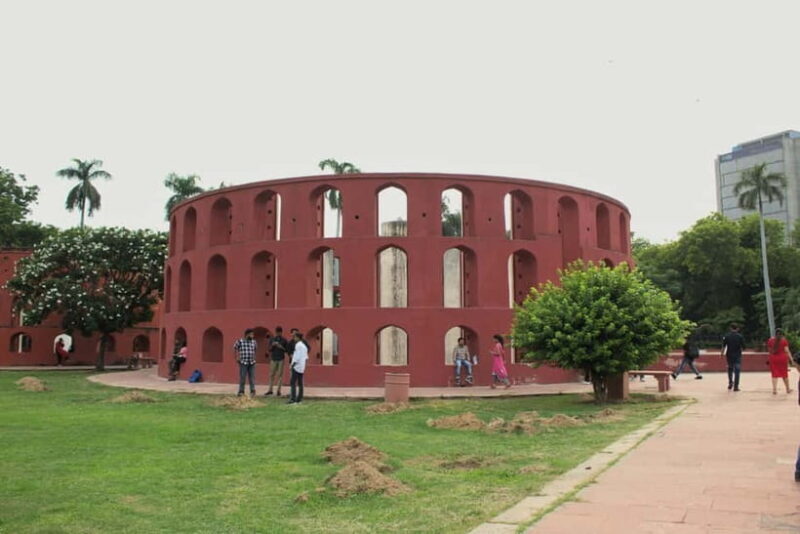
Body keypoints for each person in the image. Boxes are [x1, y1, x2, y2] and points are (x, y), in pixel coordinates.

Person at [265, 326, 289, 396]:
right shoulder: (272, 339)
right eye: (277, 332)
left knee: (280, 375)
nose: (278, 334)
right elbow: (269, 349)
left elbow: (286, 350)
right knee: (271, 374)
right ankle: (270, 390)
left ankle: (278, 390)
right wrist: (272, 346)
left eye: (279, 332)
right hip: (273, 358)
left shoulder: (284, 340)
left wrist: (280, 347)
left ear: (281, 332)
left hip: (281, 358)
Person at [767, 328, 792, 395]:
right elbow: (787, 351)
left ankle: (774, 390)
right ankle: (788, 389)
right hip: (782, 359)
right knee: (784, 374)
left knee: (774, 374)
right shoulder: (784, 341)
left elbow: (769, 350)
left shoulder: (770, 340)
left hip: (773, 359)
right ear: (782, 334)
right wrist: (791, 359)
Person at [233, 328, 257, 397]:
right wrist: (236, 357)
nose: (253, 336)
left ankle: (252, 392)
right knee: (242, 377)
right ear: (247, 334)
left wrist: (254, 358)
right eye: (251, 334)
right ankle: (241, 391)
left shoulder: (254, 342)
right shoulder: (240, 341)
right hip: (243, 362)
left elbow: (255, 350)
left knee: (252, 378)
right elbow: (235, 348)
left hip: (252, 363)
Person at [721, 324, 745, 391]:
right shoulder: (740, 336)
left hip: (729, 355)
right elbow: (743, 347)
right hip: (737, 355)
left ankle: (730, 382)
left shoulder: (727, 336)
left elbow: (723, 346)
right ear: (737, 328)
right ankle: (736, 386)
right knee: (737, 370)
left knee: (730, 368)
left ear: (730, 328)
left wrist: (722, 354)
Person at [288, 331, 308, 404]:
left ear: (298, 338)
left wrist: (292, 365)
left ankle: (293, 398)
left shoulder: (298, 345)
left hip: (296, 366)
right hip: (302, 367)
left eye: (295, 337)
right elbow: (306, 357)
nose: (294, 338)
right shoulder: (304, 346)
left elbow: (296, 357)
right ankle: (299, 398)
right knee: (300, 383)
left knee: (293, 382)